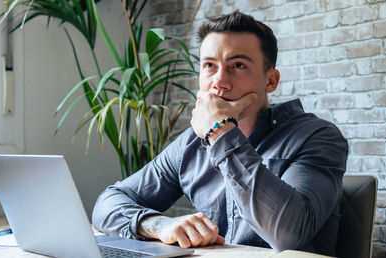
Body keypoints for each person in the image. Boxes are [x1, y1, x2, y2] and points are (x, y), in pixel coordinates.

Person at [92, 10, 348, 256]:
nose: (219, 81)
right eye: (209, 65)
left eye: (237, 65)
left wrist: (222, 132)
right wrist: (159, 225)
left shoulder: (318, 136)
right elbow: (108, 203)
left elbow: (287, 235)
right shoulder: (191, 143)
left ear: (270, 81)